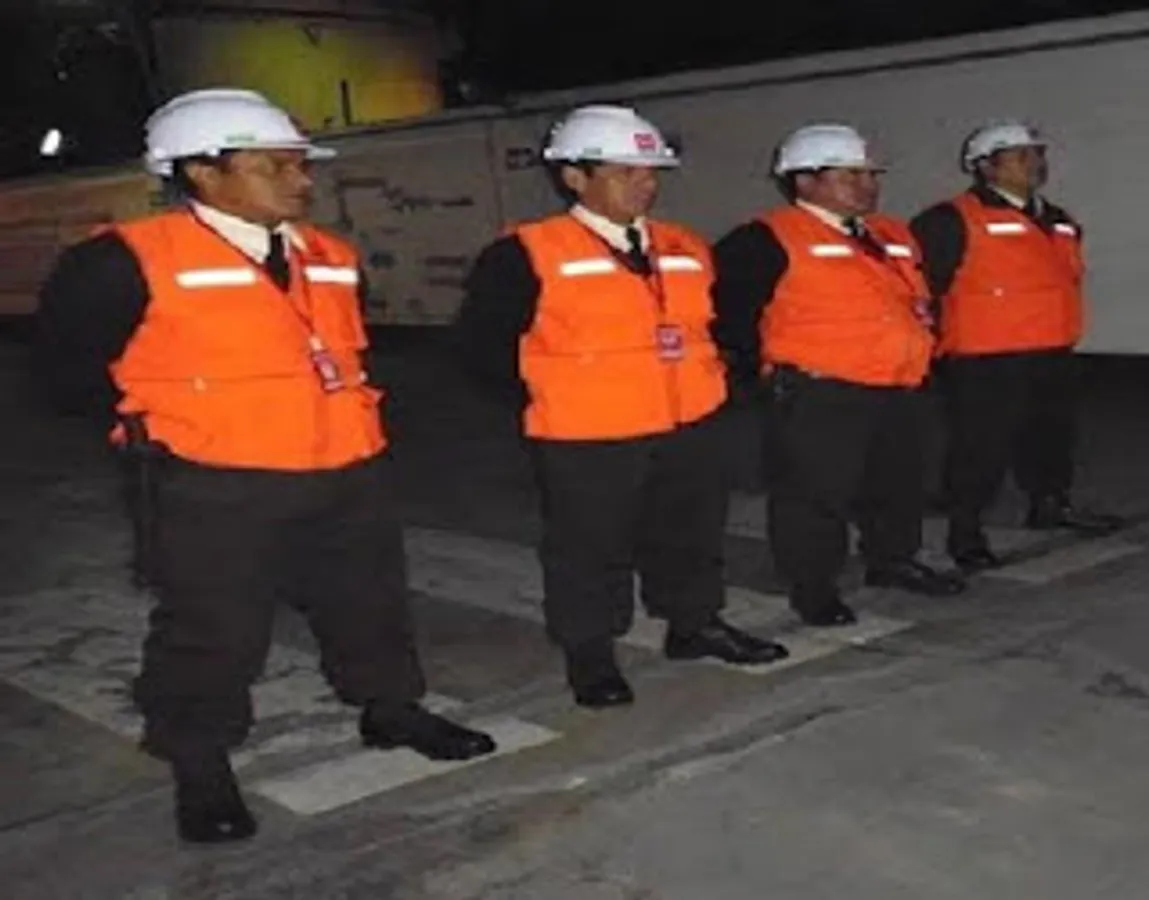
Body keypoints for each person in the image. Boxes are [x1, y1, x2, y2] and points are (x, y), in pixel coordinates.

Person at [30, 88, 496, 844]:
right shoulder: (122, 261)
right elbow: (65, 373)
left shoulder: (331, 257)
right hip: (213, 483)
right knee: (214, 626)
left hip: (347, 467)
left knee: (369, 605)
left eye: (300, 165)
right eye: (273, 166)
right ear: (200, 172)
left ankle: (391, 709)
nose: (300, 180)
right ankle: (199, 757)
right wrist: (158, 431)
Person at [452, 105, 789, 707]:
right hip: (589, 436)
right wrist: (558, 395)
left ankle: (694, 624)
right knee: (589, 548)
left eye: (650, 172)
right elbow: (481, 349)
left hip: (690, 422)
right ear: (574, 177)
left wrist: (718, 382)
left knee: (691, 533)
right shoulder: (526, 253)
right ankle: (591, 654)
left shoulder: (684, 245)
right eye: (625, 172)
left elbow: (717, 324)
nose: (645, 184)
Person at [711, 123, 966, 627]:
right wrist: (759, 374)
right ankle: (814, 587)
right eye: (850, 175)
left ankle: (892, 560)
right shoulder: (767, 237)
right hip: (821, 391)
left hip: (900, 385)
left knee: (899, 484)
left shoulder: (892, 234)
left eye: (870, 175)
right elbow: (727, 310)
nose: (868, 185)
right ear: (804, 181)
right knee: (815, 496)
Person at [910, 120, 1122, 570]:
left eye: (1038, 154)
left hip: (1052, 351)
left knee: (1051, 437)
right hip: (985, 359)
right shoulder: (950, 220)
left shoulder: (1058, 220)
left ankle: (1050, 504)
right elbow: (920, 287)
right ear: (986, 167)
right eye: (1021, 156)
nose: (1035, 163)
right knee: (979, 449)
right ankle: (966, 532)